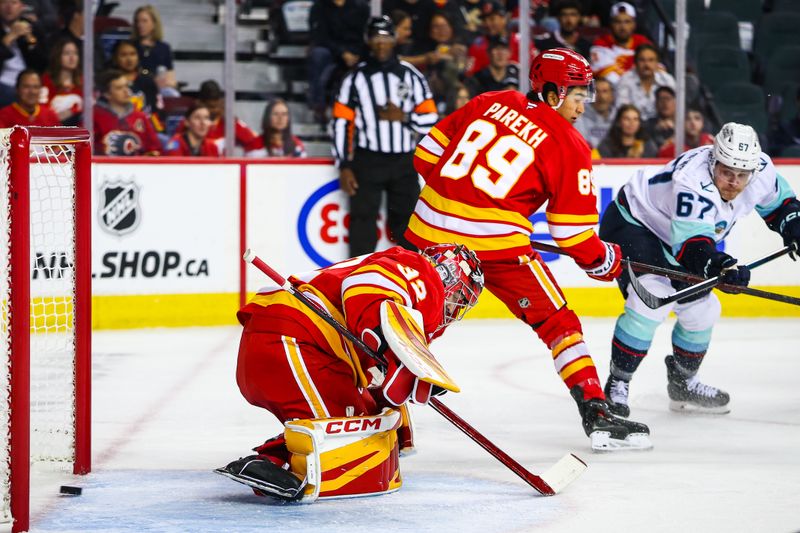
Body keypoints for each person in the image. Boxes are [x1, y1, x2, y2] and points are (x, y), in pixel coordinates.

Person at [405, 47, 651, 451]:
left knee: (410, 322)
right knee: (558, 322)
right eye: (577, 94)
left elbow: (425, 156)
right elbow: (573, 236)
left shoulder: (491, 100)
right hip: (498, 250)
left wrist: (460, 199)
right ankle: (595, 410)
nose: (583, 104)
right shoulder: (569, 145)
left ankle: (371, 404)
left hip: (426, 232)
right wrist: (604, 261)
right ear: (552, 93)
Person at [215, 244, 484, 501]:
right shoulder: (423, 272)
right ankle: (282, 463)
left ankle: (271, 461)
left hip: (297, 343)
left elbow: (376, 376)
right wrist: (391, 351)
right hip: (295, 339)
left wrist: (396, 406)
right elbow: (366, 286)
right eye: (461, 294)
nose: (458, 305)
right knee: (346, 440)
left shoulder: (411, 295)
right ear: (449, 274)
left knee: (372, 424)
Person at [598, 123, 800, 417]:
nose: (733, 182)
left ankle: (683, 383)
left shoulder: (760, 171)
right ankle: (617, 383)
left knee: (702, 311)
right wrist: (721, 265)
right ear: (713, 161)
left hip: (679, 236)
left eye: (741, 175)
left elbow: (783, 207)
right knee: (649, 300)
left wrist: (794, 228)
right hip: (636, 223)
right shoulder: (693, 181)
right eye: (726, 172)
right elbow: (691, 247)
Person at [333, 16, 438, 257]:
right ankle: (357, 277)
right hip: (367, 159)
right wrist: (344, 165)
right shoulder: (354, 79)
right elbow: (340, 123)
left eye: (386, 38)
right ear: (368, 41)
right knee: (363, 221)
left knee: (409, 225)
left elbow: (430, 120)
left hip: (403, 160)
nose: (381, 44)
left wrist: (404, 117)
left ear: (395, 40)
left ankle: (412, 278)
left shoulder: (411, 75)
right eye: (376, 38)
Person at [307, 0, 370, 124]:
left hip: (357, 51)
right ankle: (319, 106)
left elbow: (366, 35)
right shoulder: (319, 7)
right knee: (319, 54)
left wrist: (357, 53)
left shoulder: (362, 7)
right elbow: (320, 37)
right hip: (330, 50)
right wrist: (342, 53)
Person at [175, 79, 259, 153]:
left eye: (216, 106)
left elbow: (254, 142)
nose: (214, 110)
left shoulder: (230, 122)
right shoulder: (189, 123)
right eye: (210, 107)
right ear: (200, 103)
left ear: (221, 102)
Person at [92, 69, 161, 156]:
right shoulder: (93, 117)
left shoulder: (140, 117)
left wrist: (150, 155)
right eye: (119, 88)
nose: (126, 91)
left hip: (137, 167)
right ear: (106, 94)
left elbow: (155, 148)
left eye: (126, 86)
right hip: (104, 167)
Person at [465, 0, 536, 77]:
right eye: (484, 20)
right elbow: (470, 75)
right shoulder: (478, 45)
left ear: (504, 19)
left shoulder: (521, 42)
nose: (488, 24)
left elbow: (534, 71)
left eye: (492, 19)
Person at [590, 1, 651, 85]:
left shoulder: (643, 42)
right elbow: (611, 78)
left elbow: (657, 68)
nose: (623, 27)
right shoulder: (600, 44)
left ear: (634, 24)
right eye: (618, 22)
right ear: (611, 24)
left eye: (627, 22)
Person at [0, 0, 46, 107]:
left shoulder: (32, 27)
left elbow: (42, 64)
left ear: (21, 6)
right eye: (4, 2)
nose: (9, 7)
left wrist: (30, 41)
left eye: (14, 3)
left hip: (28, 81)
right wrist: (10, 37)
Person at [615, 43, 675, 121]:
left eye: (651, 60)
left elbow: (676, 107)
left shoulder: (667, 80)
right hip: (634, 127)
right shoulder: (625, 80)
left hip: (662, 125)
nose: (646, 64)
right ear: (635, 63)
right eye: (642, 60)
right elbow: (622, 111)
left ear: (657, 63)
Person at [131, 4, 178, 96]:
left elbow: (171, 78)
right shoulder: (130, 46)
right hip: (135, 87)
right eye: (137, 21)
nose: (140, 25)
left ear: (154, 23)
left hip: (158, 89)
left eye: (144, 21)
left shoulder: (164, 48)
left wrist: (168, 83)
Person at [40, 37, 82, 126]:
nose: (72, 57)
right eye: (67, 53)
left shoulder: (83, 81)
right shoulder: (47, 80)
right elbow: (42, 109)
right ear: (57, 56)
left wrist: (72, 111)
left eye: (75, 53)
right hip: (53, 126)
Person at [574, 77, 614, 149]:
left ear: (612, 96)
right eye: (597, 91)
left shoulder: (618, 117)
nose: (601, 97)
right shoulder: (579, 119)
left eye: (605, 91)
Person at [642, 85, 675, 151]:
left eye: (668, 99)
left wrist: (675, 129)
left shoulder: (683, 124)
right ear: (656, 103)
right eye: (661, 99)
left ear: (675, 102)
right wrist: (656, 128)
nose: (665, 103)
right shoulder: (648, 124)